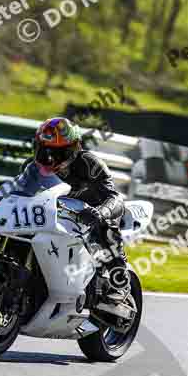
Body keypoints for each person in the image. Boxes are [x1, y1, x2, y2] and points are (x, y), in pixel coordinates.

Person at [28, 117, 130, 304]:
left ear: (71, 149)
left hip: (91, 213)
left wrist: (100, 213)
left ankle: (119, 280)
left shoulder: (90, 164)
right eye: (44, 150)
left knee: (104, 228)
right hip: (56, 212)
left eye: (56, 152)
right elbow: (17, 191)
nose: (49, 158)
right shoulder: (33, 167)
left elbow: (115, 198)